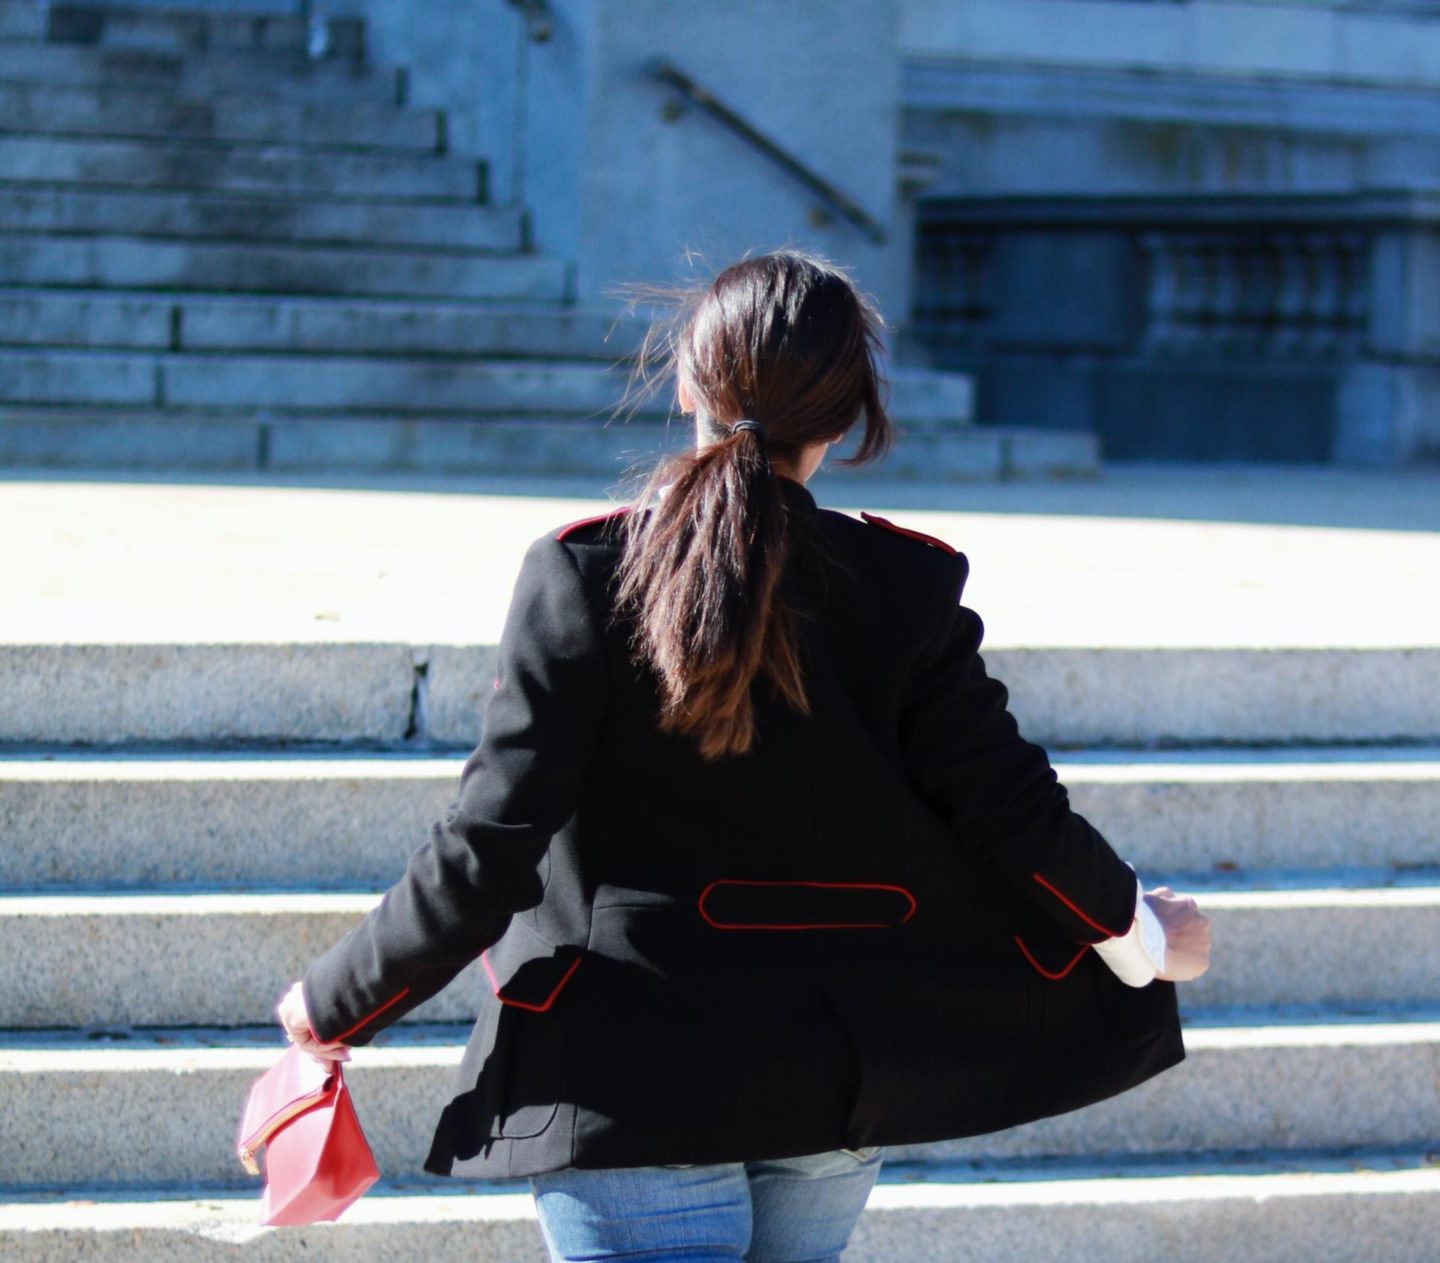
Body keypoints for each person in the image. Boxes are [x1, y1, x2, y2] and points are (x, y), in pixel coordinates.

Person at [276, 250, 1211, 1262]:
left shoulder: (584, 576)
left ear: (687, 381)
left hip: (629, 1071)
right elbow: (1011, 815)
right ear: (849, 417)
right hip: (840, 1066)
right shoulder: (906, 584)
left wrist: (333, 1005)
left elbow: (489, 844)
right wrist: (1144, 936)